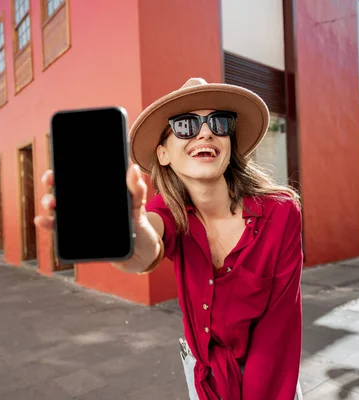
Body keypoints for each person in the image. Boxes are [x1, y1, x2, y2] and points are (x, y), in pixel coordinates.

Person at [35, 78, 303, 400]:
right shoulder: (169, 211)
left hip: (273, 383)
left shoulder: (281, 212)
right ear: (164, 154)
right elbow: (147, 246)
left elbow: (278, 330)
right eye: (186, 125)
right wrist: (129, 227)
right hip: (203, 379)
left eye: (219, 123)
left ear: (229, 146)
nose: (206, 132)